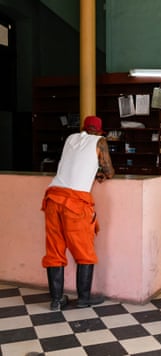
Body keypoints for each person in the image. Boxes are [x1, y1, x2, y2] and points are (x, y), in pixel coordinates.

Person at [41, 115, 115, 311]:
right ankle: (83, 298)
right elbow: (109, 171)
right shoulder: (100, 141)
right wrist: (99, 173)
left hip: (52, 198)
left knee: (54, 250)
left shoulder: (71, 138)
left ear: (83, 128)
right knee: (84, 250)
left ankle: (56, 300)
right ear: (99, 131)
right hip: (76, 203)